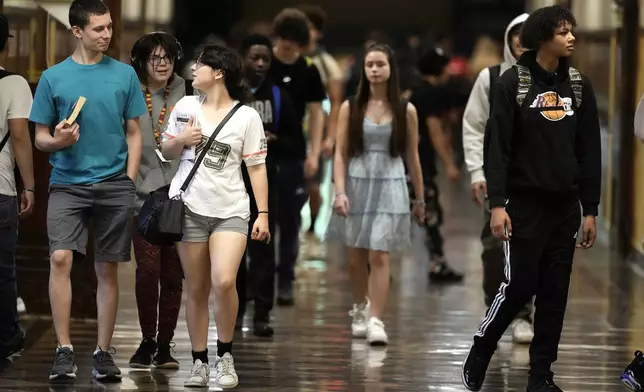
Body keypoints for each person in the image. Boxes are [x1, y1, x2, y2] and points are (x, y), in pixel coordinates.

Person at [461, 6, 601, 391]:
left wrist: (590, 209)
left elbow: (590, 151)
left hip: (565, 208)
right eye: (563, 32)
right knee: (519, 285)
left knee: (555, 292)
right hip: (523, 205)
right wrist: (497, 205)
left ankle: (541, 375)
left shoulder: (578, 86)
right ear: (543, 38)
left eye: (572, 31)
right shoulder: (512, 84)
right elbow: (498, 149)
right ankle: (483, 346)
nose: (571, 37)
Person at [29, 0, 146, 382]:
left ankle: (102, 351)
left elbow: (133, 131)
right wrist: (58, 140)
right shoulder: (53, 77)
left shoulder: (125, 75)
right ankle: (64, 350)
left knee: (106, 268)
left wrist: (128, 179)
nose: (107, 34)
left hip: (114, 185)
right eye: (98, 29)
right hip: (67, 184)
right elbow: (40, 138)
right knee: (60, 259)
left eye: (109, 26)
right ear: (77, 31)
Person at [161, 44, 270, 388]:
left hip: (231, 211)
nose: (193, 69)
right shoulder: (185, 106)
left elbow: (256, 168)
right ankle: (198, 362)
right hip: (189, 207)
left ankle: (225, 355)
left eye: (199, 64)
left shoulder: (247, 117)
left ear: (218, 72)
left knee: (224, 281)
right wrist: (181, 139)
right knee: (196, 287)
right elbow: (165, 151)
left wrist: (262, 214)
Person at [327, 43, 425, 345]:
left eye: (380, 64)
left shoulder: (406, 109)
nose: (374, 69)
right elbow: (340, 153)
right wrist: (339, 190)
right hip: (357, 182)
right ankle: (360, 307)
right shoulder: (350, 107)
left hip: (391, 182)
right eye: (369, 64)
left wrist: (419, 198)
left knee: (379, 253)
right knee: (357, 256)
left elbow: (413, 155)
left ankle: (376, 320)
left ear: (390, 68)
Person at [462, 13, 534, 344]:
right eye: (515, 36)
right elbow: (474, 126)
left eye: (528, 35)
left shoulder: (555, 80)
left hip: (537, 180)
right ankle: (496, 307)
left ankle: (523, 314)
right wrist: (477, 171)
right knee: (494, 245)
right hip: (497, 179)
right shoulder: (490, 78)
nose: (521, 42)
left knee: (529, 247)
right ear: (507, 41)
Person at [127, 31, 187, 369]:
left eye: (167, 57)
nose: (161, 64)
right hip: (142, 197)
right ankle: (147, 339)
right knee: (148, 270)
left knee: (173, 275)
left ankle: (165, 344)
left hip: (182, 198)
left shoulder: (190, 91)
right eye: (154, 58)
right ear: (141, 61)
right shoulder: (130, 90)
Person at [235, 33, 299, 337]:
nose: (260, 64)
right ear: (243, 58)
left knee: (262, 246)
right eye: (254, 57)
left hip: (266, 179)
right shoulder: (231, 94)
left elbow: (297, 139)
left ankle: (262, 312)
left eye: (265, 59)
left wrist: (276, 140)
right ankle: (234, 311)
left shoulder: (277, 95)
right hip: (232, 180)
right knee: (233, 247)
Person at [270, 8, 326, 306]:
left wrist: (314, 153)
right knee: (261, 216)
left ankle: (285, 277)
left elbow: (317, 112)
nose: (287, 45)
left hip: (294, 153)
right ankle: (261, 278)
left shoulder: (308, 69)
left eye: (293, 39)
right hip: (261, 153)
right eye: (283, 38)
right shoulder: (263, 63)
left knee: (291, 217)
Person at [408, 45, 464, 283]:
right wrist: (449, 163)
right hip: (419, 164)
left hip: (411, 163)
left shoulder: (417, 92)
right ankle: (437, 264)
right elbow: (434, 131)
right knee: (430, 213)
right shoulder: (428, 95)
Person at [0, 12, 35, 360]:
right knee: (3, 268)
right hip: (1, 188)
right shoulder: (13, 84)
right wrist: (31, 185)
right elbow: (21, 137)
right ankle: (7, 334)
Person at [296, 4, 344, 247]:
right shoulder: (288, 58)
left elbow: (336, 103)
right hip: (292, 131)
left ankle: (313, 224)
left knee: (314, 185)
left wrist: (331, 138)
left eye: (311, 28)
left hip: (317, 132)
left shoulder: (327, 64)